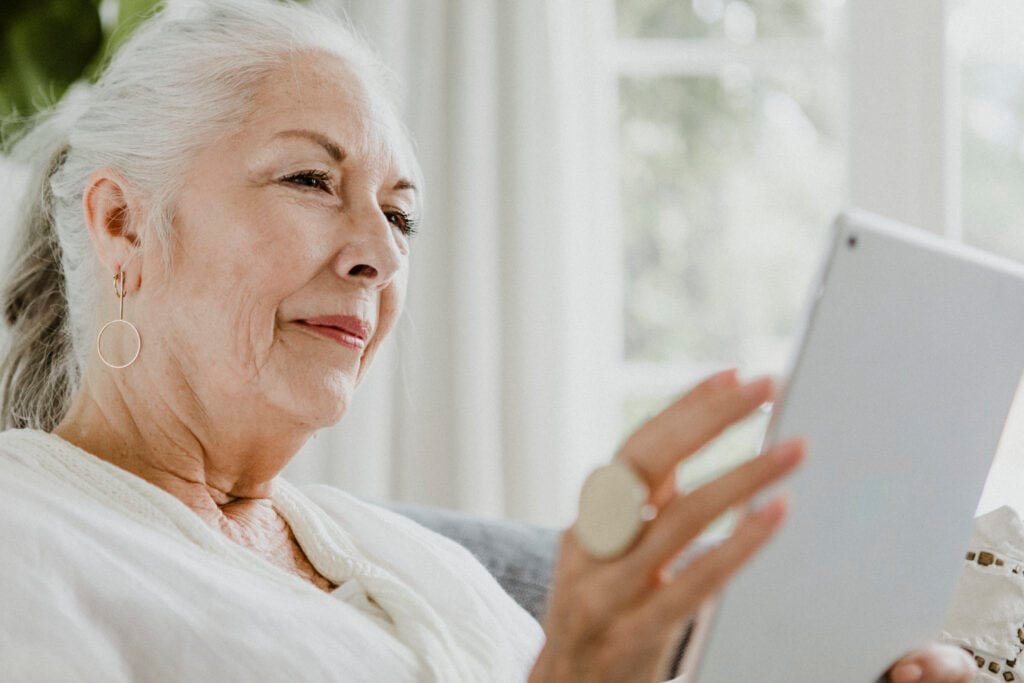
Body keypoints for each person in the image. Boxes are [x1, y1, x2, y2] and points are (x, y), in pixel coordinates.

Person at [0, 1, 974, 680]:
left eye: (401, 215)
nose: (377, 251)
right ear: (123, 222)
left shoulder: (408, 560)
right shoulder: (30, 542)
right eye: (309, 180)